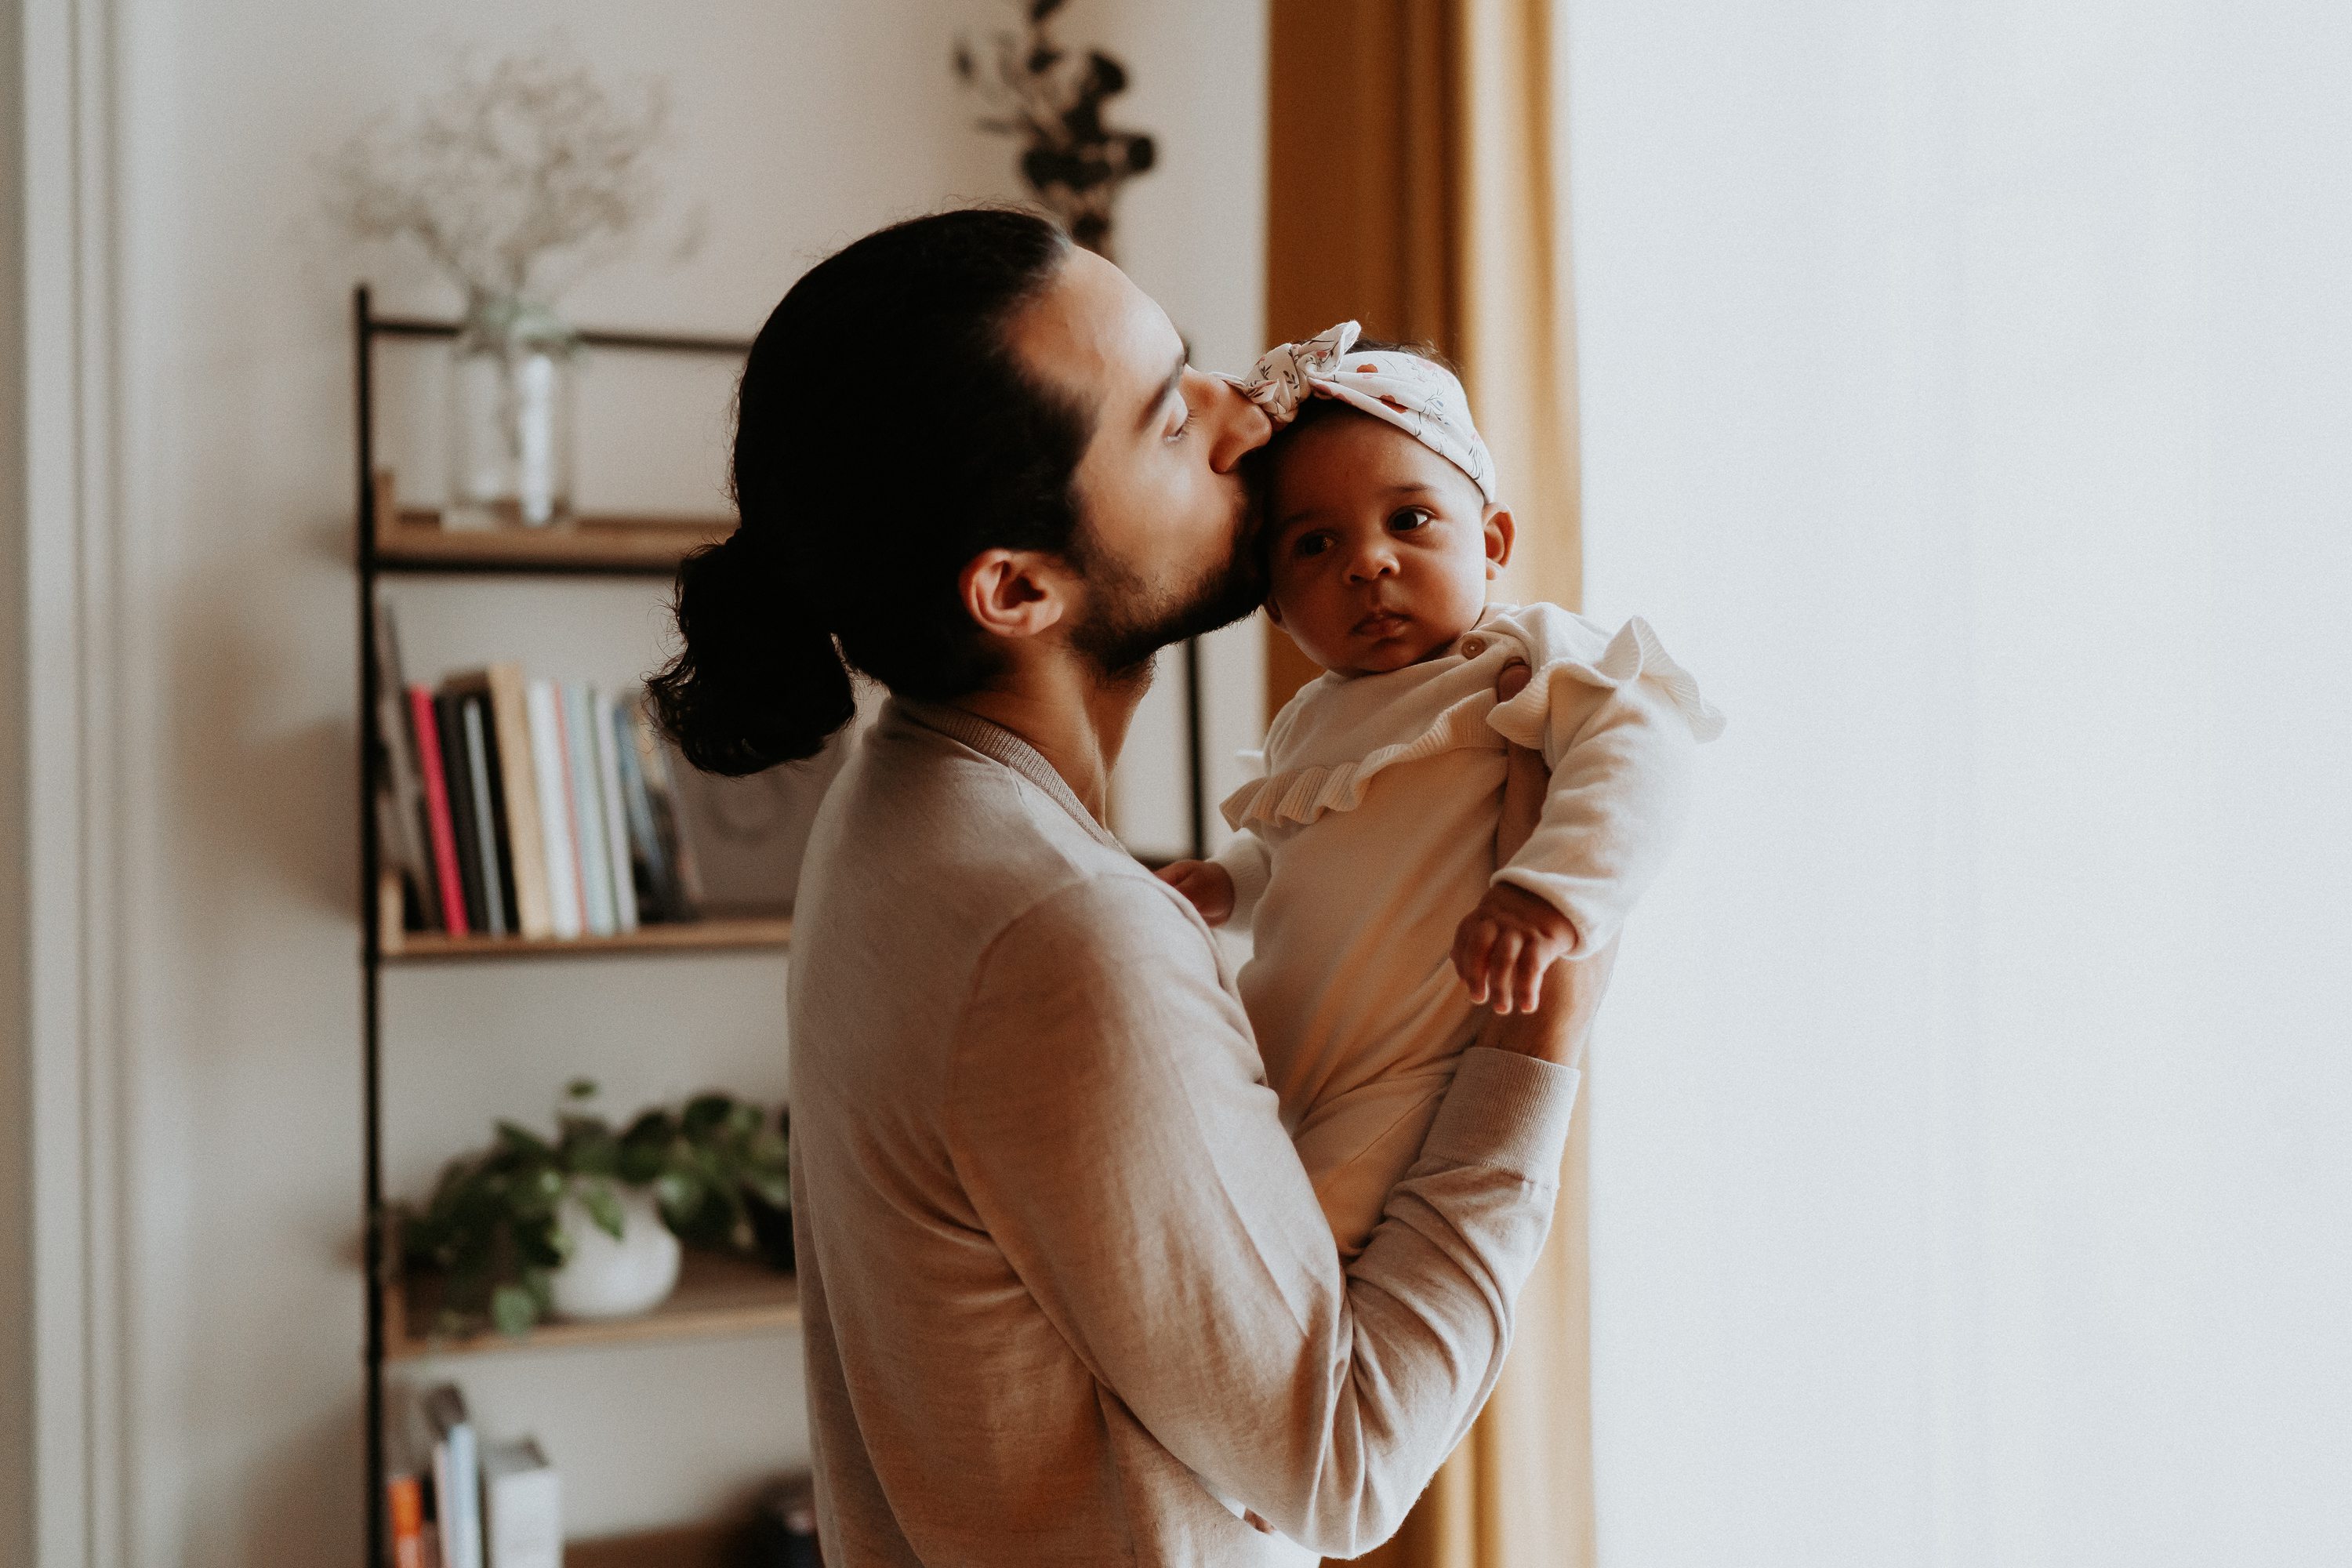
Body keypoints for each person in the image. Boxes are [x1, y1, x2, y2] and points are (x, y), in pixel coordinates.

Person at [651, 209, 1601, 1566]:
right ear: (1020, 588)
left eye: (1196, 365)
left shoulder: (898, 798)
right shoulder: (1058, 930)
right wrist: (1536, 1038)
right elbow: (1341, 1467)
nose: (1246, 415)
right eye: (1166, 418)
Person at [1156, 322, 1724, 1258]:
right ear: (1274, 602)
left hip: (1410, 1070)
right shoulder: (1312, 719)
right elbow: (1308, 845)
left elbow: (1646, 750)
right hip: (1282, 1044)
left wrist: (1551, 895)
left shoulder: (1522, 654)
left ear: (1492, 539)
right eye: (1314, 544)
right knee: (1200, 1178)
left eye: (1410, 521)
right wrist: (1230, 883)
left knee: (1278, 1244)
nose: (1368, 562)